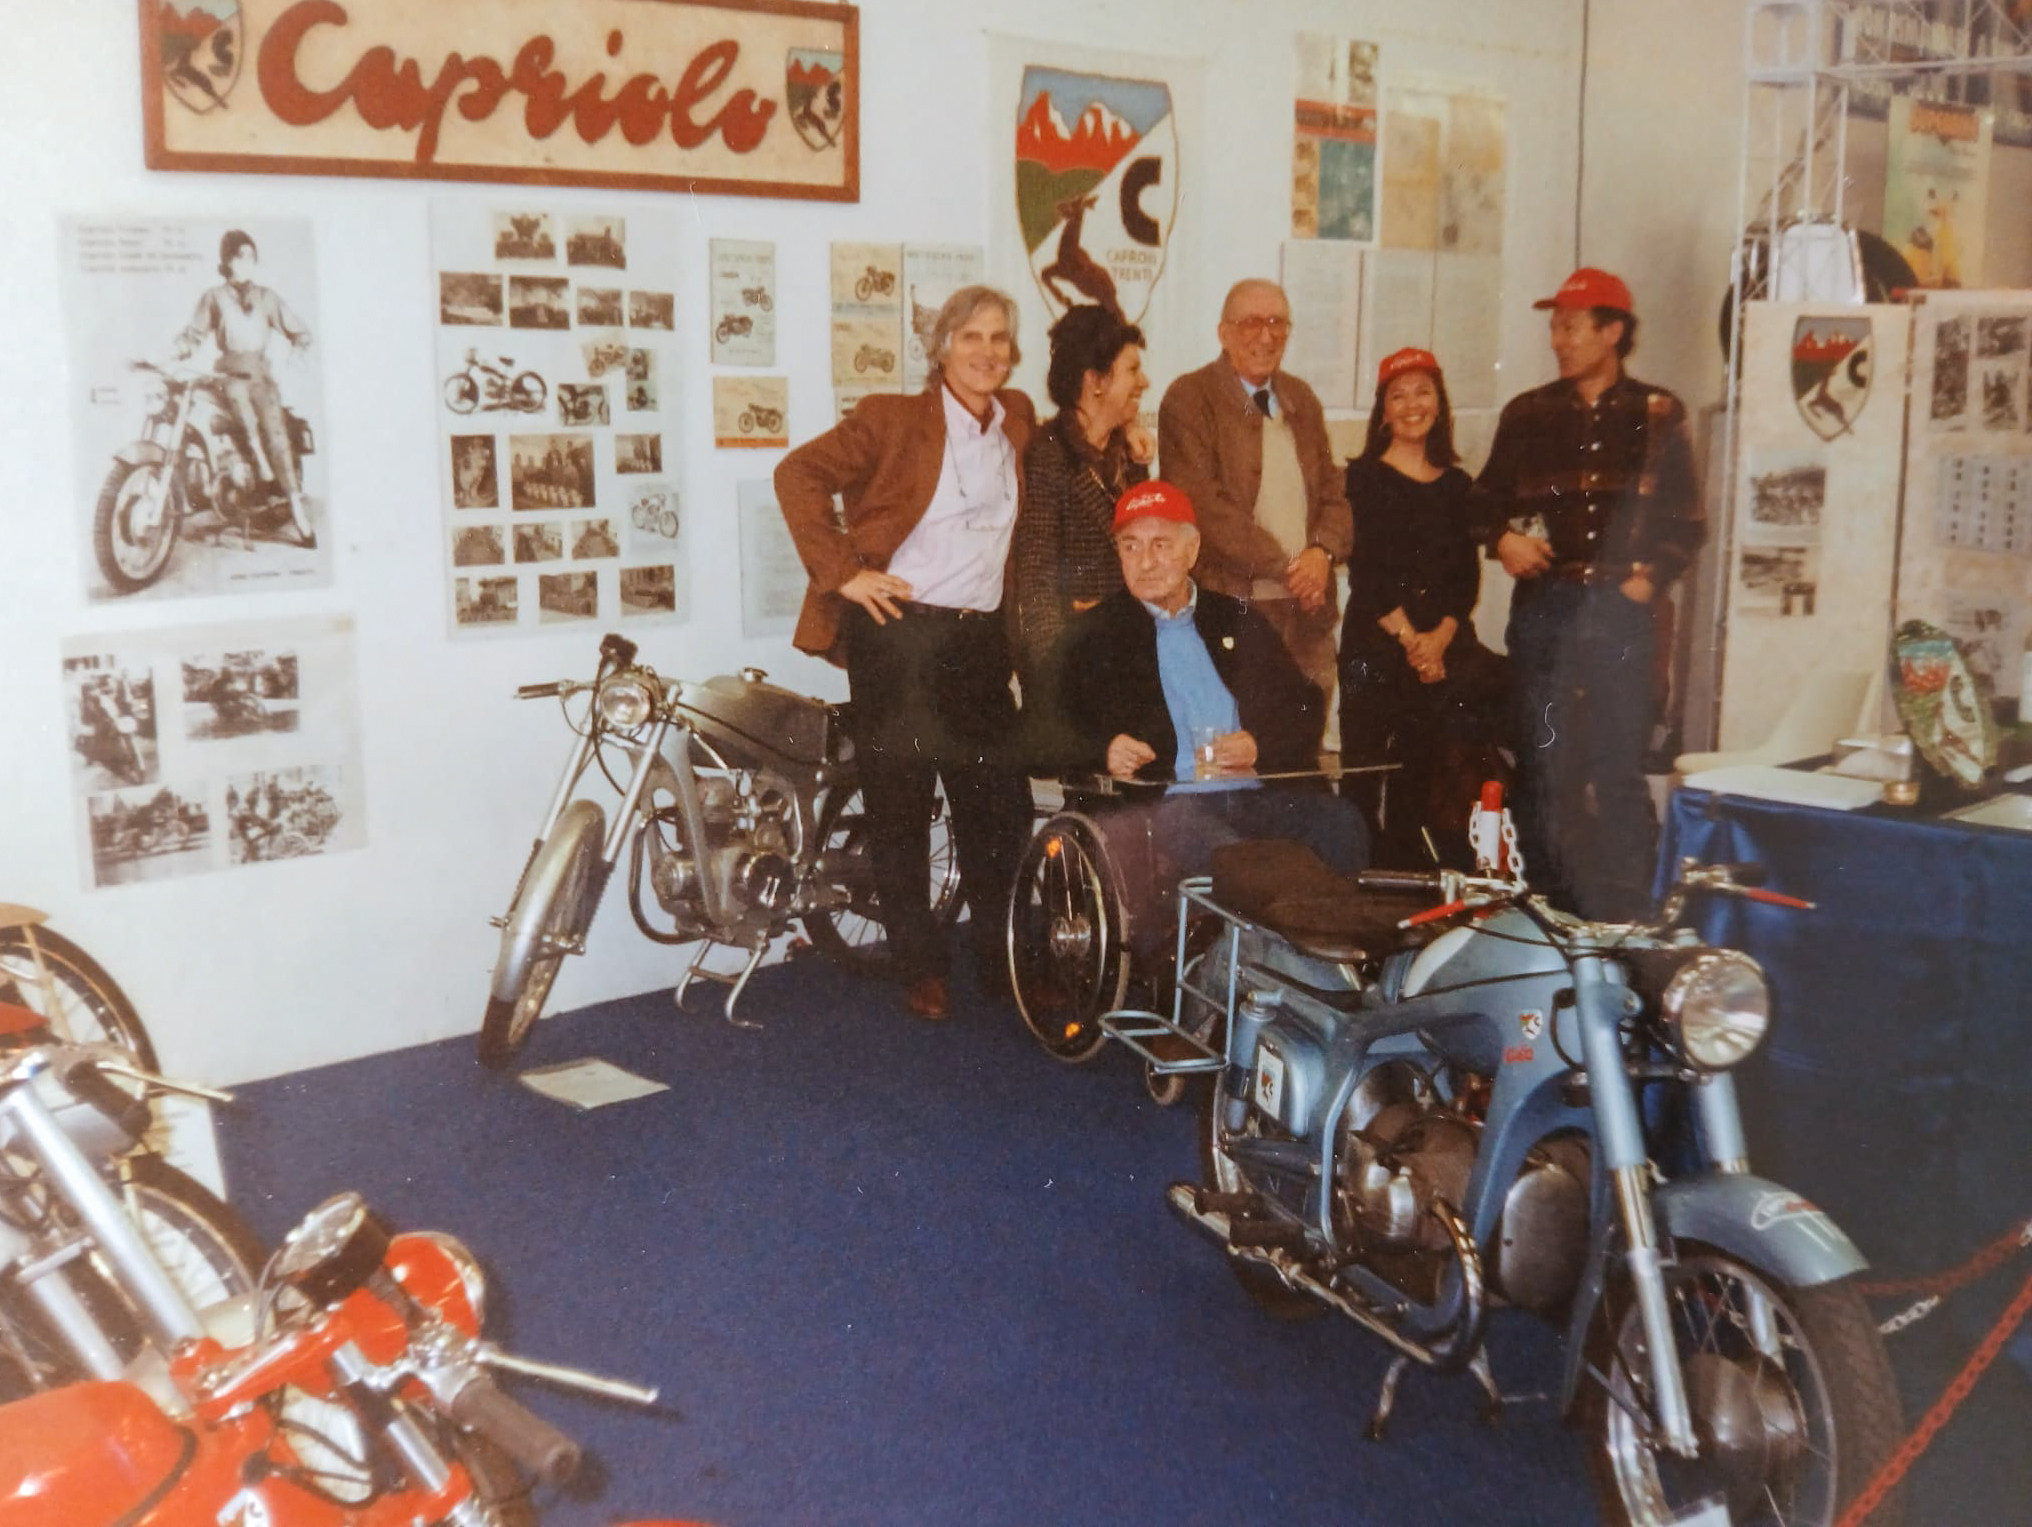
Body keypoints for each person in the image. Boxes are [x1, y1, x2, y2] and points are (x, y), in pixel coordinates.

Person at [775, 285, 1038, 1021]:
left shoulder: (1016, 420)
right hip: (901, 635)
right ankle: (920, 964)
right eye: (972, 337)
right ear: (942, 347)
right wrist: (843, 573)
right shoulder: (892, 418)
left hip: (980, 641)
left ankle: (1000, 962)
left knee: (999, 809)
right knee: (901, 807)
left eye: (1000, 339)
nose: (988, 352)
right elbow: (797, 474)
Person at [1475, 267, 1703, 920]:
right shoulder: (1528, 412)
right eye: (1554, 325)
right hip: (1546, 608)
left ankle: (1639, 913)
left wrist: (1644, 583)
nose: (1558, 339)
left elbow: (1687, 525)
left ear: (1612, 331)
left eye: (1571, 326)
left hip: (1621, 614)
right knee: (1544, 765)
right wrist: (1503, 540)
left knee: (1618, 764)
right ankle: (1545, 909)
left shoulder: (1659, 413)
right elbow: (1482, 501)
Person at [1059, 481, 1368, 945]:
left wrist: (1258, 742)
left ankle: (1325, 962)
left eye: (1160, 545)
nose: (1145, 561)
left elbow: (1303, 706)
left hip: (1254, 793)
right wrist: (1100, 749)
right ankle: (1269, 967)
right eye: (1131, 546)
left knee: (1342, 823)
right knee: (1237, 858)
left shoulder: (1236, 619)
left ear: (1191, 550)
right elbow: (1043, 726)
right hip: (1167, 805)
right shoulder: (1094, 635)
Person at [1338, 349, 1508, 867]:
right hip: (1378, 646)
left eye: (1423, 392)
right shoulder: (1360, 479)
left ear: (1440, 403)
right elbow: (1366, 572)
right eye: (1399, 394)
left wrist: (1439, 640)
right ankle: (1359, 888)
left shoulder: (1457, 485)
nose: (1413, 405)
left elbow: (1466, 579)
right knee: (1364, 780)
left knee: (1423, 778)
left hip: (1439, 653)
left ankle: (1415, 893)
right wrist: (1413, 640)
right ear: (1382, 411)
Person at [1156, 279, 1354, 696]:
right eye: (1250, 323)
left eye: (1277, 322)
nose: (1266, 335)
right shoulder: (1189, 398)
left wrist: (1322, 552)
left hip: (1306, 612)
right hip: (1234, 608)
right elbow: (1203, 507)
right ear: (1223, 333)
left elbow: (1333, 493)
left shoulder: (1301, 397)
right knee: (1236, 744)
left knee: (1302, 742)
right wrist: (1292, 569)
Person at [1009, 303, 1152, 764]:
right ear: (1095, 382)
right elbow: (1036, 581)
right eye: (1132, 370)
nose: (1144, 382)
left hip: (1130, 659)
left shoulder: (1129, 454)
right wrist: (1058, 681)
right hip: (1079, 667)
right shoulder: (1049, 456)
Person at [175, 230, 315, 544]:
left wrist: (299, 352)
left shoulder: (267, 298)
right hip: (228, 374)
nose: (246, 262)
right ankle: (252, 468)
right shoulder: (213, 297)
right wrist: (171, 352)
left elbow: (300, 332)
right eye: (239, 256)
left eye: (251, 256)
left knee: (276, 431)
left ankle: (296, 508)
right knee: (232, 401)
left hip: (260, 376)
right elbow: (192, 336)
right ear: (226, 261)